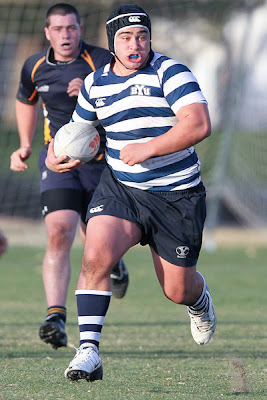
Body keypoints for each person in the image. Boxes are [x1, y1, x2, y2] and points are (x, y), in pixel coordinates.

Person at [46, 4, 216, 382]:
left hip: (177, 196)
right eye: (125, 37)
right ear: (112, 43)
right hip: (123, 188)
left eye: (141, 36)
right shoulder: (95, 84)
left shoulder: (171, 72)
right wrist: (56, 154)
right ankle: (88, 350)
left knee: (176, 290)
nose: (135, 44)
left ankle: (199, 300)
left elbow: (199, 123)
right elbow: (76, 131)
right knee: (95, 257)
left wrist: (149, 148)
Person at [10, 3, 129, 351]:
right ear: (48, 32)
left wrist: (94, 89)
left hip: (101, 161)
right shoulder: (34, 66)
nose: (66, 35)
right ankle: (55, 316)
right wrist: (23, 145)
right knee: (59, 230)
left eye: (72, 28)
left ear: (80, 30)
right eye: (59, 29)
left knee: (96, 238)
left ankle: (115, 261)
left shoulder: (102, 62)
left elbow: (125, 99)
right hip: (58, 159)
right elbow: (25, 100)